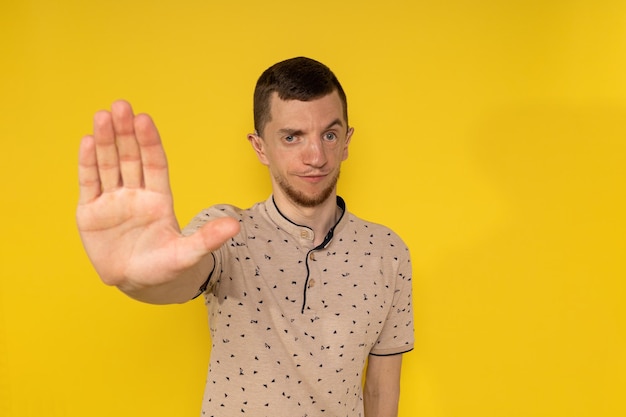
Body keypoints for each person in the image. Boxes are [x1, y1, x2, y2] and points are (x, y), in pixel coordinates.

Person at [77, 57, 414, 417]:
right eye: (291, 137)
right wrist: (136, 278)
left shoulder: (387, 251)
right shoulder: (224, 231)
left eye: (329, 135)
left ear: (346, 141)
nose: (316, 156)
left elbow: (381, 390)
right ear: (260, 147)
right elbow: (175, 280)